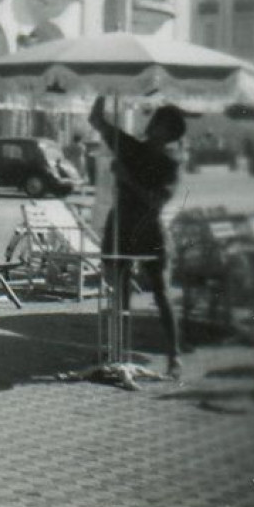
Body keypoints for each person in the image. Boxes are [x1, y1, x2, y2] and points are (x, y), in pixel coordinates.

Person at [89, 95, 188, 379]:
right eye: (155, 120)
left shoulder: (170, 164)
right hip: (121, 225)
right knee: (118, 291)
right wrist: (105, 89)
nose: (153, 125)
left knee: (161, 292)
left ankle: (174, 355)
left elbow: (156, 202)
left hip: (149, 229)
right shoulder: (131, 147)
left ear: (171, 133)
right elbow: (97, 121)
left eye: (161, 125)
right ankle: (117, 351)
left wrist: (127, 177)